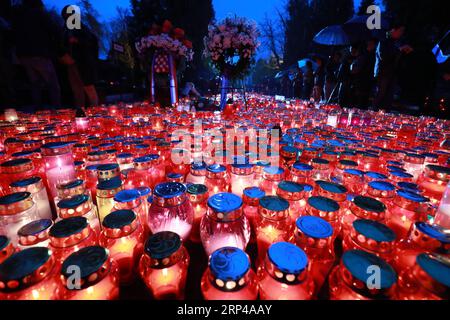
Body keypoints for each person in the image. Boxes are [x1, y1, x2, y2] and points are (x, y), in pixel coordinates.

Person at [11, 0, 63, 110]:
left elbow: (13, 34)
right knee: (52, 83)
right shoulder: (40, 14)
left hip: (24, 55)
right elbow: (54, 30)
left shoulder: (18, 16)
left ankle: (38, 109)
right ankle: (58, 111)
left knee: (35, 83)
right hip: (40, 53)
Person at [61, 5, 99, 110]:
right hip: (71, 62)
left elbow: (91, 41)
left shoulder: (81, 27)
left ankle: (95, 111)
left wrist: (77, 40)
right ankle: (80, 111)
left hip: (83, 62)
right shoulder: (66, 28)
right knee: (77, 89)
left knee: (88, 87)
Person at [373, 22, 413, 111]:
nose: (402, 33)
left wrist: (406, 52)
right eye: (400, 30)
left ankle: (384, 119)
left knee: (389, 98)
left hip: (392, 73)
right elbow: (384, 56)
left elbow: (397, 57)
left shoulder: (396, 42)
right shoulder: (383, 40)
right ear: (393, 30)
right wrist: (399, 49)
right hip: (383, 73)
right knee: (381, 95)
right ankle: (373, 115)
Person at [350, 40, 377, 109]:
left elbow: (355, 70)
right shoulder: (370, 55)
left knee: (361, 102)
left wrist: (352, 65)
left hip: (362, 82)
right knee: (363, 102)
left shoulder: (364, 56)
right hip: (365, 81)